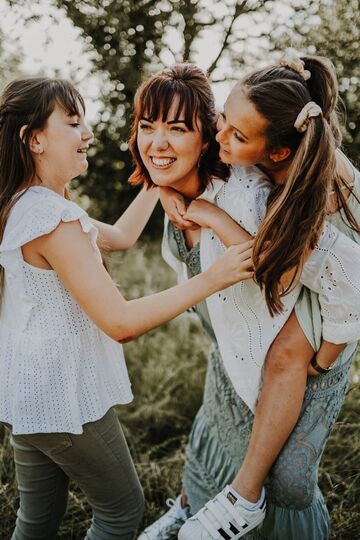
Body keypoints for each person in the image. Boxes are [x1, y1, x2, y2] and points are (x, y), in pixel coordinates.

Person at [0, 77, 254, 540]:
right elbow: (120, 323)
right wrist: (211, 279)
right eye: (73, 123)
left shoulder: (27, 203)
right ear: (33, 138)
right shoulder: (51, 218)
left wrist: (162, 184)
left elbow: (119, 238)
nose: (88, 133)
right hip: (64, 396)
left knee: (36, 520)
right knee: (121, 513)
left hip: (26, 392)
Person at [129, 61, 360, 540]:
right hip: (235, 337)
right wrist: (161, 184)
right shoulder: (178, 191)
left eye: (177, 128)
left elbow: (286, 268)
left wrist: (209, 213)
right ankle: (189, 507)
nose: (157, 141)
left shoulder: (257, 194)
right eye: (146, 126)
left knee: (288, 480)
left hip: (317, 331)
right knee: (218, 423)